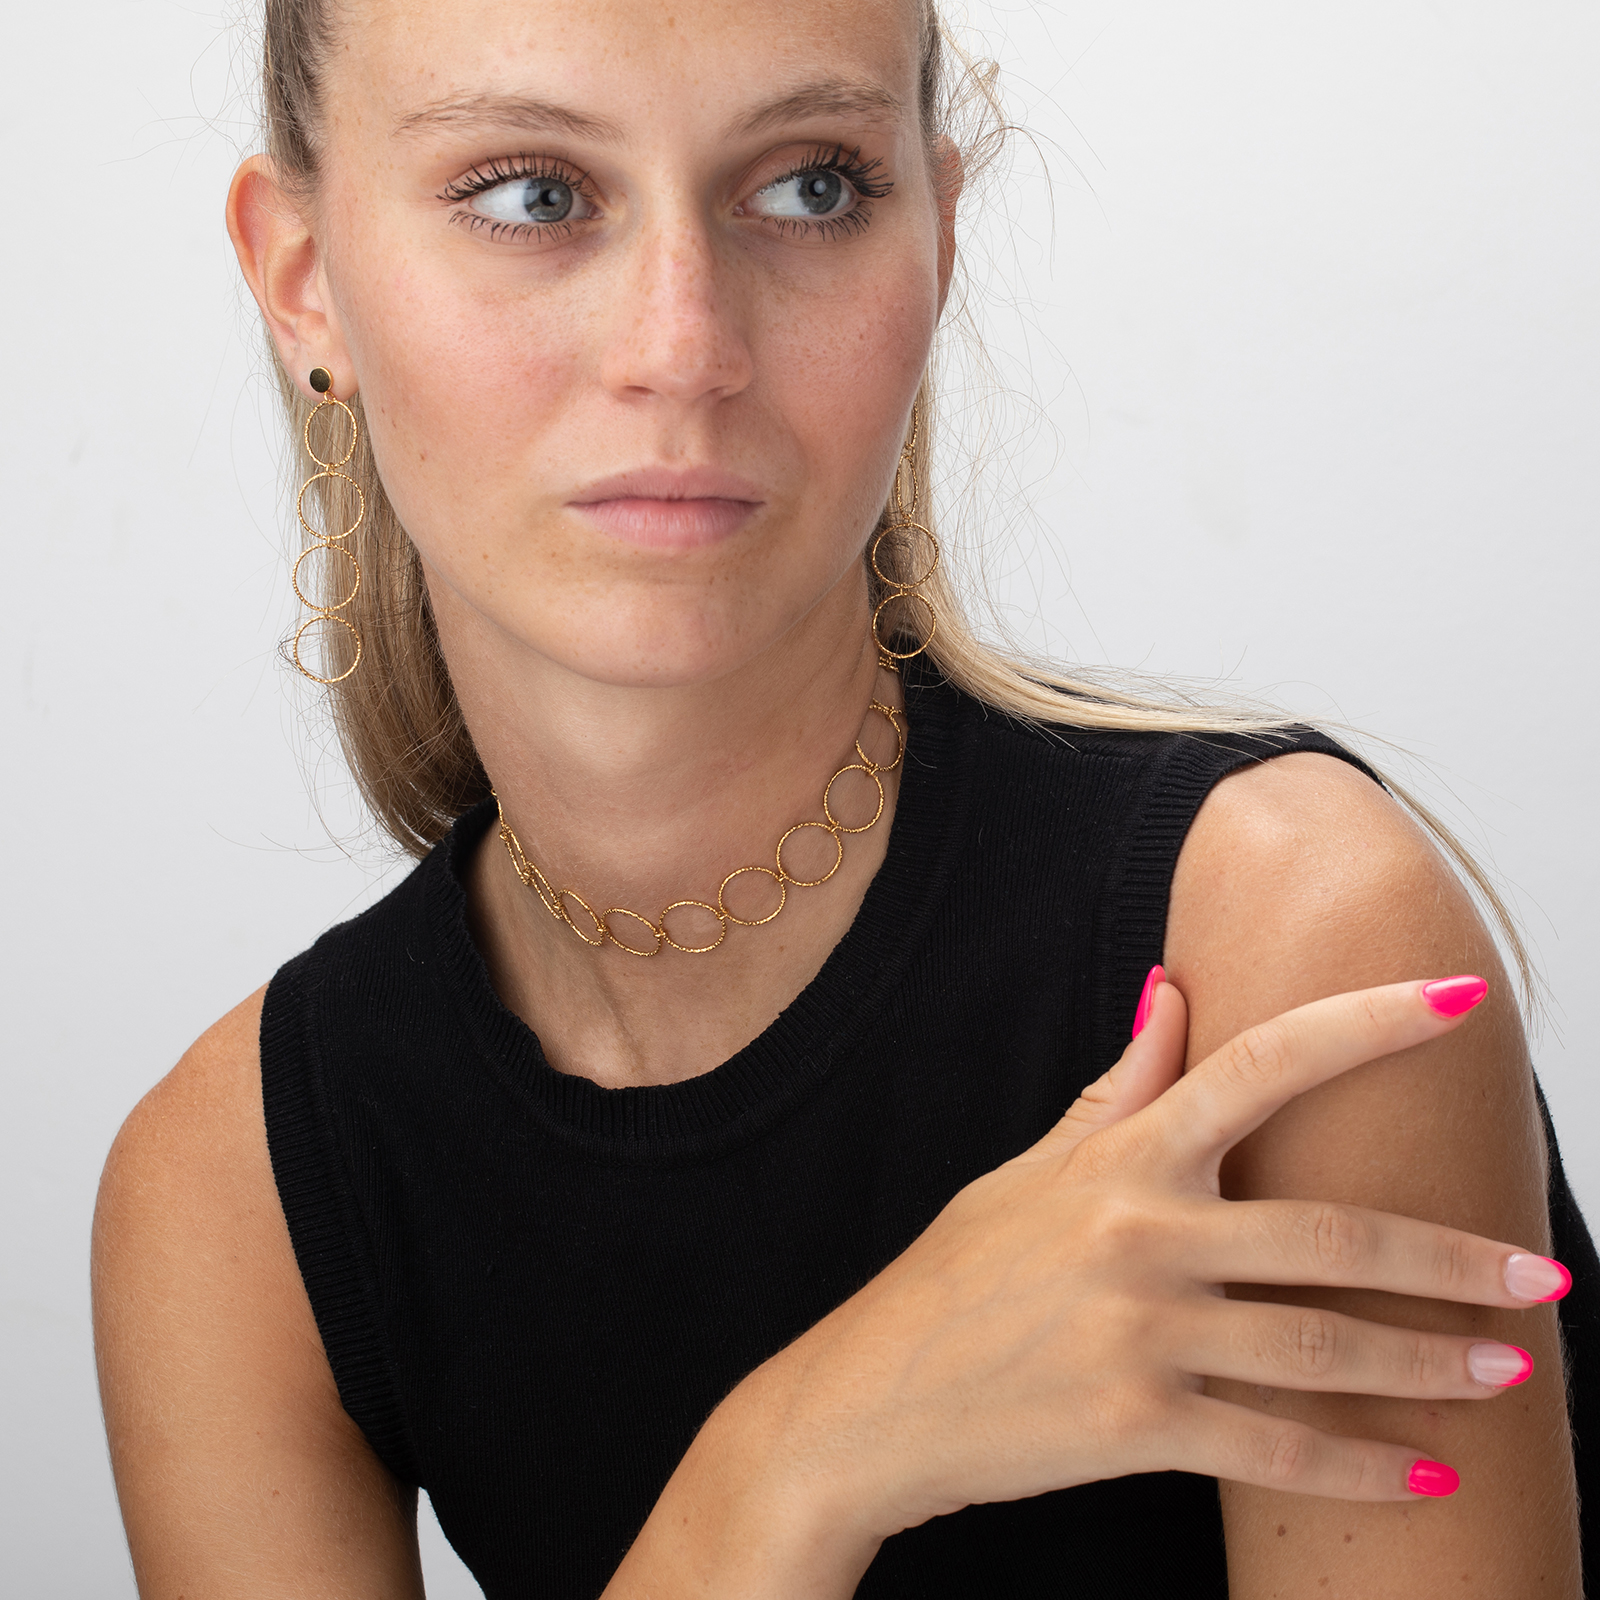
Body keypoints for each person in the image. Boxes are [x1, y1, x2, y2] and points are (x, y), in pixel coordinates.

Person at [90, 0, 1593, 1594]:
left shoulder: (1279, 940)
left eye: (809, 184)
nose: (682, 346)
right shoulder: (238, 1186)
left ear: (936, 239)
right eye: (534, 193)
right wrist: (799, 1460)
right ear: (301, 276)